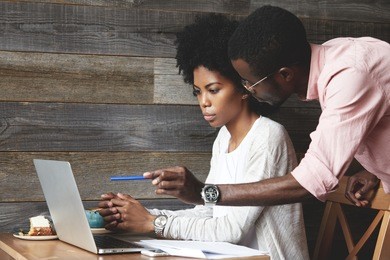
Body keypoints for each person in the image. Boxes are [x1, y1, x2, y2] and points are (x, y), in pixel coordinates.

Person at [99, 13, 310, 259]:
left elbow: (232, 230)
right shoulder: (223, 139)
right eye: (197, 92)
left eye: (213, 90)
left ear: (244, 88)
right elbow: (209, 213)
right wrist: (138, 214)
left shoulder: (268, 136)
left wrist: (153, 223)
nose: (204, 102)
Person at [144, 5, 389, 207]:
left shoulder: (350, 76)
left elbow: (310, 180)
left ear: (285, 75)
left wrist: (203, 193)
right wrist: (376, 170)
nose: (249, 90)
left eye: (251, 83)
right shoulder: (338, 59)